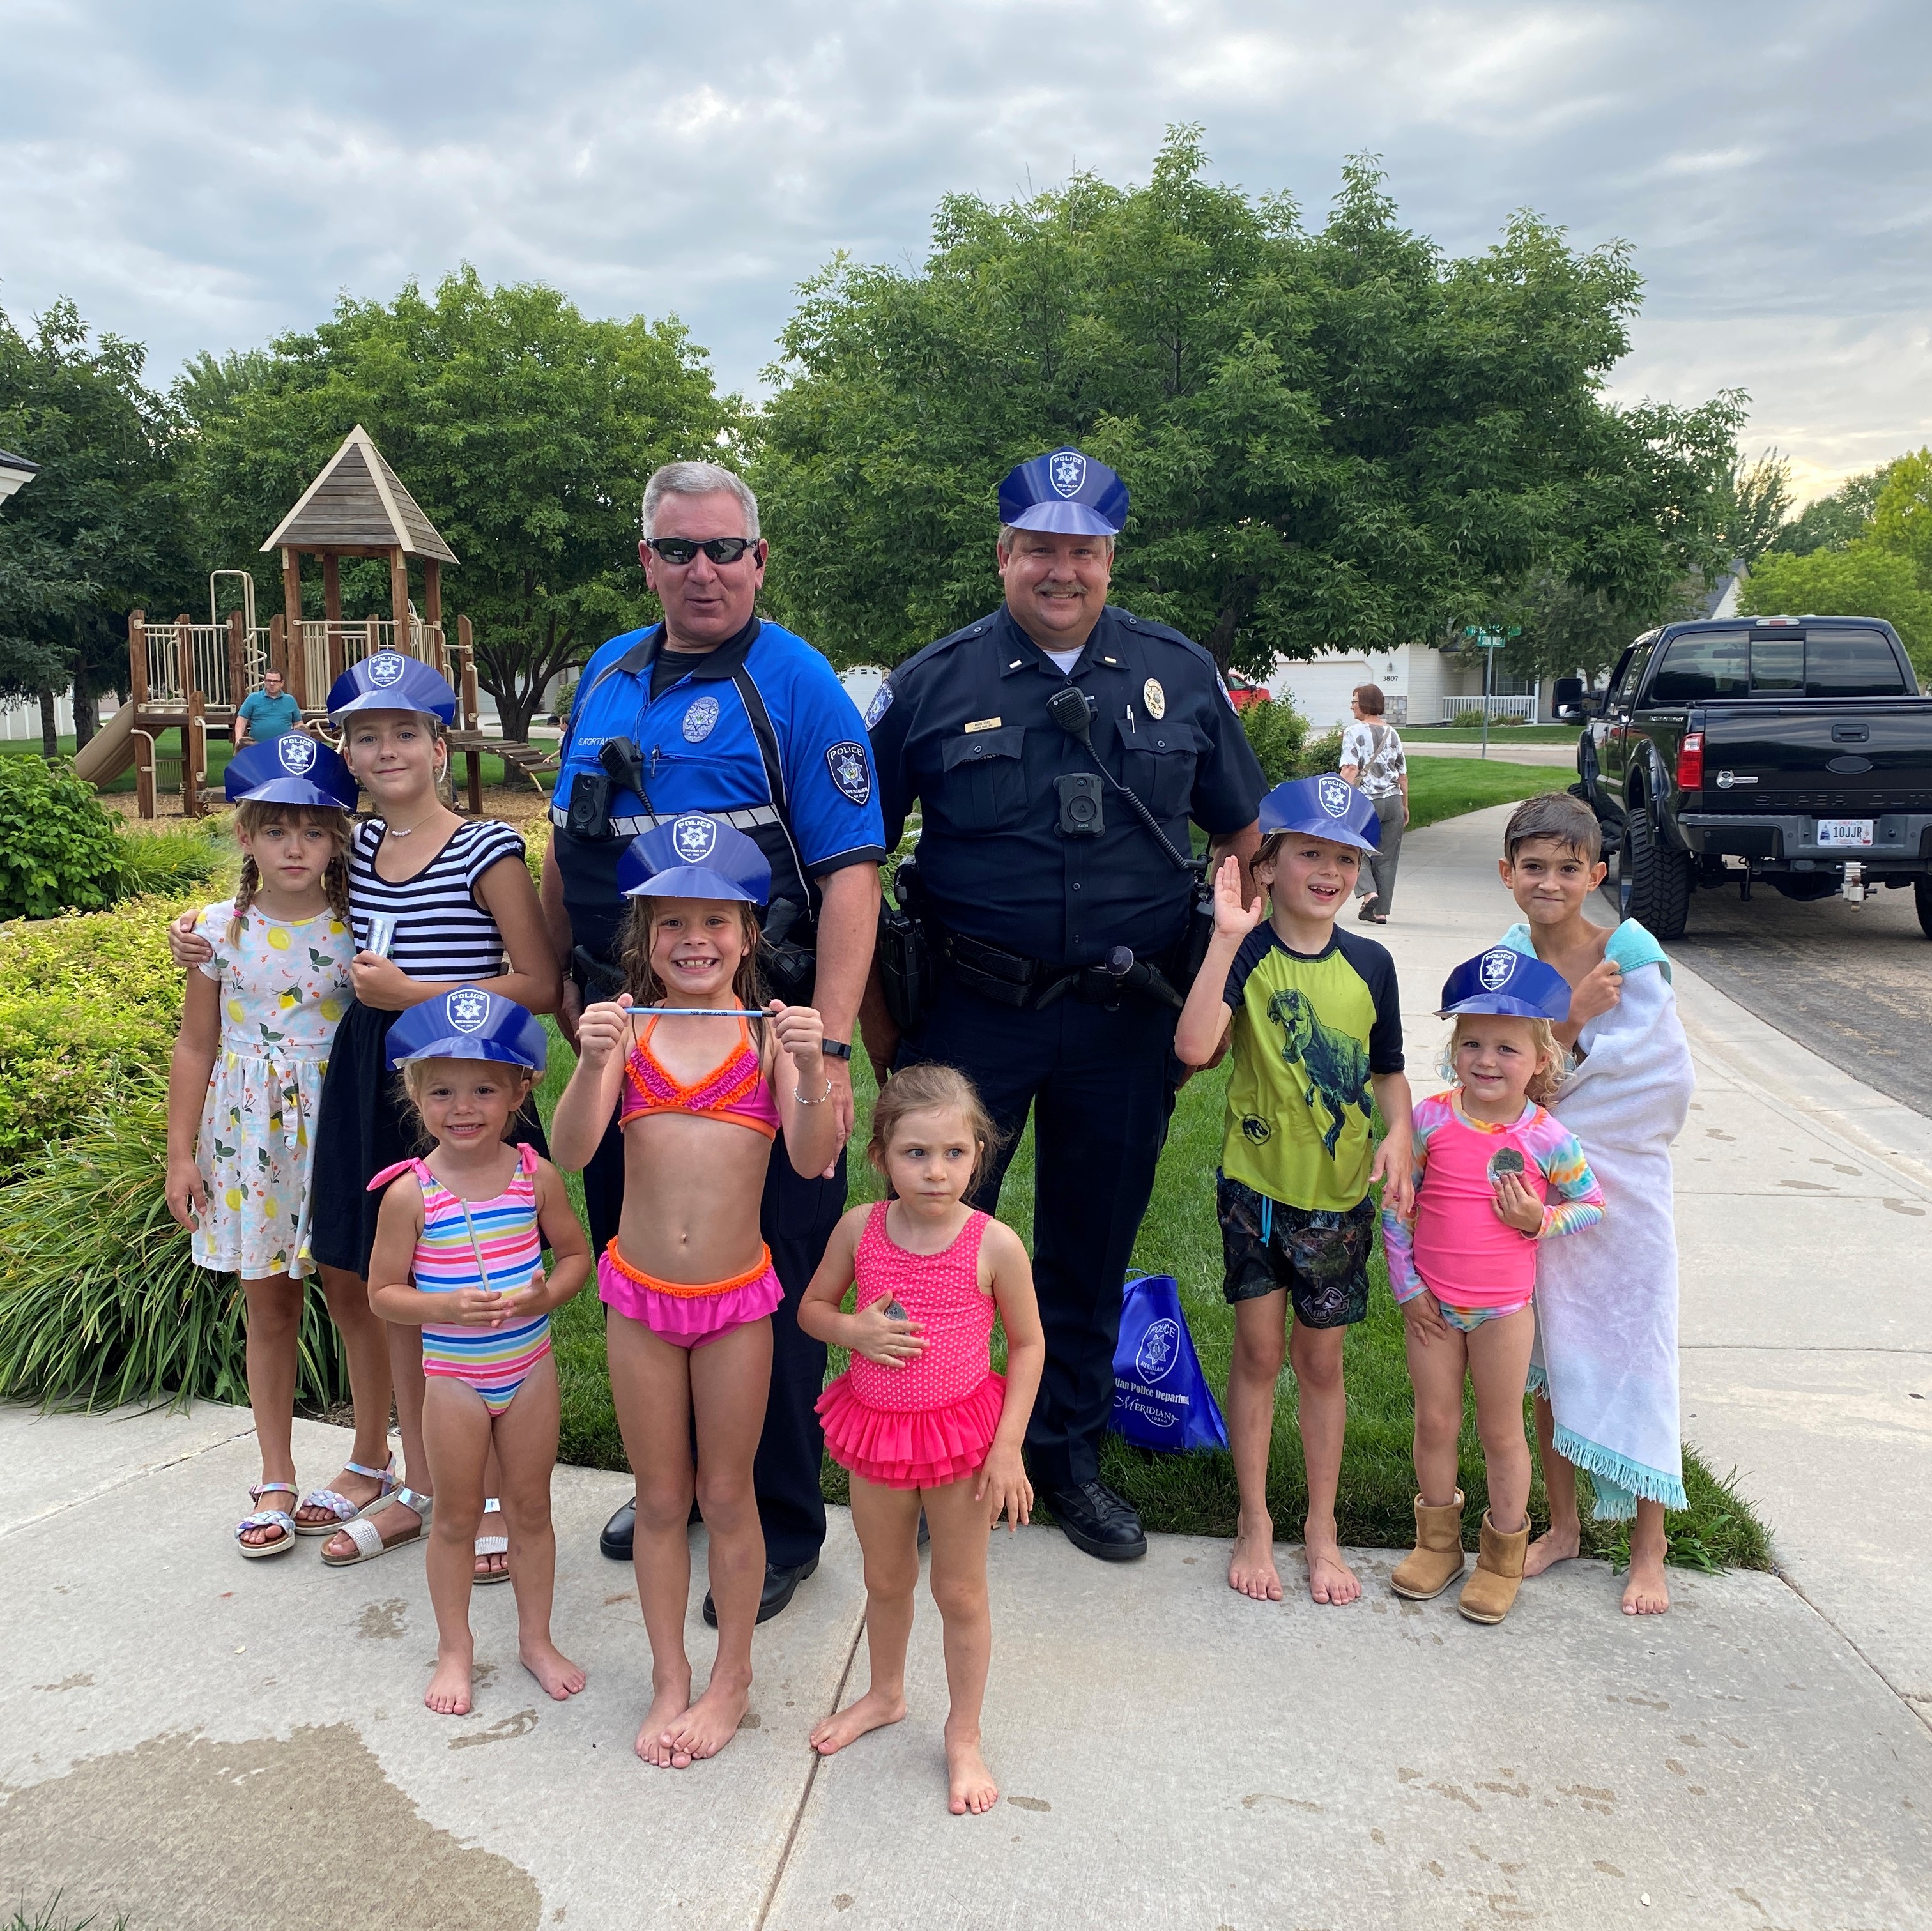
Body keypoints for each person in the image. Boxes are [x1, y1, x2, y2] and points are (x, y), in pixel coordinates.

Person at [862, 447, 1264, 1564]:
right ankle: (934, 1436)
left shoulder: (1178, 674)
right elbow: (851, 848)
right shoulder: (935, 681)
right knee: (935, 1238)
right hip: (971, 1012)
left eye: (1081, 548)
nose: (1060, 567)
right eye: (1038, 545)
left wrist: (1215, 981)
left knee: (1086, 1243)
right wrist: (878, 1029)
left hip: (1122, 1017)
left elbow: (1245, 838)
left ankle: (1063, 1452)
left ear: (1107, 556)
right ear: (1003, 554)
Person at [540, 460, 884, 1620]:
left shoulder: (796, 686)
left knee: (767, 1293)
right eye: (677, 549)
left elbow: (848, 874)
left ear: (757, 558)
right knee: (646, 1275)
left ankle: (779, 1519)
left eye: (723, 549)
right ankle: (672, 1487)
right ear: (645, 559)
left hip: (756, 1047)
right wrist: (554, 982)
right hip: (627, 1043)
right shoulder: (607, 671)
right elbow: (565, 842)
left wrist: (823, 1046)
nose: (702, 569)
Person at [170, 653, 561, 1575]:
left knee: (481, 1285)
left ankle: (493, 1491)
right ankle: (422, 1483)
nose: (386, 749)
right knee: (396, 1288)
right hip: (378, 1095)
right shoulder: (365, 859)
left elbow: (539, 980)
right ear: (346, 751)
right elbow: (262, 922)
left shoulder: (483, 847)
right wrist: (192, 933)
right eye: (366, 735)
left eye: (405, 731)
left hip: (470, 1096)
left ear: (439, 741)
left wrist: (414, 987)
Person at [548, 816, 841, 1768]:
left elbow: (814, 1157)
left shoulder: (764, 1040)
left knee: (728, 1493)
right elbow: (572, 1150)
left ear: (749, 934)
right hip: (640, 1296)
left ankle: (734, 1674)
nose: (694, 940)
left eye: (716, 920)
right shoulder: (625, 1033)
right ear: (645, 936)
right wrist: (594, 1059)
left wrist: (809, 1067)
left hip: (734, 1303)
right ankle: (670, 1673)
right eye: (672, 922)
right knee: (662, 1496)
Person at [1174, 775, 1414, 1606]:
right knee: (1260, 1352)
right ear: (1268, 864)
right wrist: (1223, 938)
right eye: (1311, 851)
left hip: (1339, 1199)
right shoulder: (1246, 951)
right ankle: (1254, 1519)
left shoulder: (1371, 964)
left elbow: (1388, 1072)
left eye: (1346, 857)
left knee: (1320, 1359)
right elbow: (1196, 1044)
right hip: (1258, 1192)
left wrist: (1402, 1135)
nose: (1330, 869)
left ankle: (1320, 1526)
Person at [164, 737, 394, 1558]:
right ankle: (275, 1470)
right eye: (275, 831)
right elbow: (195, 1044)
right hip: (249, 1140)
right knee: (269, 1303)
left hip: (337, 1129)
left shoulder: (357, 927)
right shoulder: (217, 932)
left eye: (313, 831)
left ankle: (372, 1455)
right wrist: (180, 1154)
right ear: (247, 837)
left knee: (355, 1292)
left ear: (337, 840)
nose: (294, 848)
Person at [799, 1064, 1045, 1815]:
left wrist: (1008, 1448)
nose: (936, 1171)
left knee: (960, 1589)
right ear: (880, 1156)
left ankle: (964, 1735)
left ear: (979, 1153)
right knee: (886, 1578)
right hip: (877, 1433)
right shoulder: (859, 1230)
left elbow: (1028, 1345)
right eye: (915, 1153)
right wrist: (851, 1329)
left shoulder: (994, 1243)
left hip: (962, 1441)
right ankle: (885, 1692)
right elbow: (812, 1308)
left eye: (953, 1153)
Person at [364, 990, 592, 1715]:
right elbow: (382, 1293)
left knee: (530, 1507)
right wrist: (444, 1307)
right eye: (442, 1092)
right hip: (454, 1379)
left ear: (522, 1090)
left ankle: (535, 1638)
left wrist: (545, 1296)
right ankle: (455, 1648)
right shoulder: (412, 1194)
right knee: (458, 1517)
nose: (463, 1107)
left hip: (529, 1370)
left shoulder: (535, 1176)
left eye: (484, 1089)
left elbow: (577, 1255)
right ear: (416, 1095)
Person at [1494, 792, 1694, 1615]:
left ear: (1596, 874)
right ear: (1507, 875)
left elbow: (1662, 1084)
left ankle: (1651, 1543)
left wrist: (1559, 1096)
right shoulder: (1511, 961)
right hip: (1540, 1189)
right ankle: (1565, 1524)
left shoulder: (1629, 955)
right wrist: (1569, 1026)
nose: (1550, 882)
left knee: (1641, 1350)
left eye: (1567, 868)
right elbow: (1498, 1073)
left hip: (1625, 1186)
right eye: (1533, 867)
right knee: (1548, 1360)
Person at [1381, 949, 1606, 1624]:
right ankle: (1437, 1545)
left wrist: (1540, 1219)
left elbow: (1592, 1204)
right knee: (1435, 1420)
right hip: (1432, 1305)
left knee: (1502, 1431)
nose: (1486, 1059)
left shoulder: (1548, 1137)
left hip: (1504, 1311)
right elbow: (1397, 1207)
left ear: (1540, 1058)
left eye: (1506, 1047)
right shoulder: (1428, 1120)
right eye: (1471, 1042)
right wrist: (1407, 1288)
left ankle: (1502, 1559)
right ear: (1453, 1049)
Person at [1338, 683, 1407, 923]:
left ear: (1365, 704)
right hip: (1394, 802)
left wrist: (1340, 801)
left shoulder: (1354, 732)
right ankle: (1381, 913)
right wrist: (1405, 806)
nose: (1351, 706)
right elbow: (1402, 774)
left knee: (1353, 849)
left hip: (1367, 803)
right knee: (1387, 857)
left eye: (1354, 701)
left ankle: (1370, 895)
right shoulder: (1393, 733)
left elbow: (1349, 769)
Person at [233, 666, 304, 749]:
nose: (272, 684)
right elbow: (241, 720)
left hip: (284, 749)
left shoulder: (290, 700)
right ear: (264, 682)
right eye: (269, 680)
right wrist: (238, 739)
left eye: (275, 681)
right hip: (257, 747)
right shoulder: (253, 698)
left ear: (282, 683)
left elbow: (299, 723)